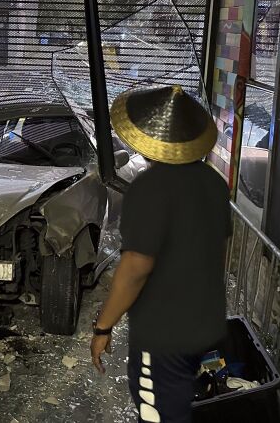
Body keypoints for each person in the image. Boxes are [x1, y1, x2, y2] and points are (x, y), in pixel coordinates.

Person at [90, 85, 231, 423]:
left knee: (161, 414)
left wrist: (103, 327)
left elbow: (136, 267)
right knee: (198, 403)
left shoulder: (149, 188)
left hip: (165, 339)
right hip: (208, 326)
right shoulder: (213, 182)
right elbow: (218, 250)